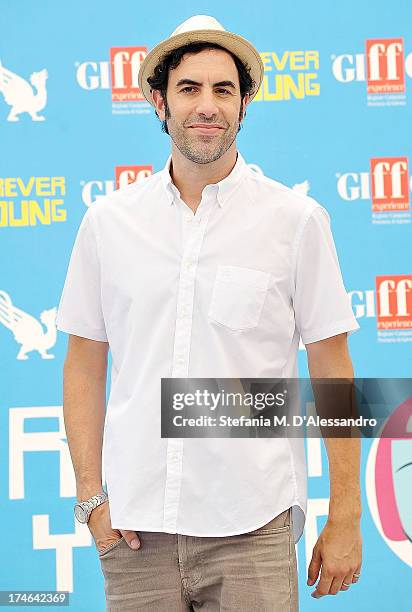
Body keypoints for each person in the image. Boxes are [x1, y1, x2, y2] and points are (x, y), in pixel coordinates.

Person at [56, 14, 363, 611]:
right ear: (158, 102)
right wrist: (91, 495)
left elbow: (332, 369)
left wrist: (346, 512)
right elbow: (85, 364)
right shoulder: (108, 223)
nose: (208, 106)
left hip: (254, 528)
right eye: (189, 88)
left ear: (245, 103)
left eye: (224, 90)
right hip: (135, 534)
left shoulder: (295, 221)